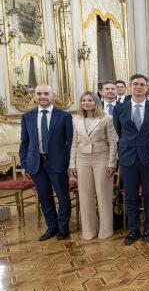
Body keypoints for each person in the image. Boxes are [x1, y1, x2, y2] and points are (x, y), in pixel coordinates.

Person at [113, 74, 149, 244]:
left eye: (142, 84)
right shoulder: (119, 109)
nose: (139, 87)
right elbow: (119, 132)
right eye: (135, 84)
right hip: (128, 158)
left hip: (148, 158)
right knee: (131, 196)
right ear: (130, 86)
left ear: (147, 88)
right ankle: (134, 228)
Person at [19, 84, 74, 241]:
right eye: (39, 93)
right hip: (36, 163)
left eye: (45, 93)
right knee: (44, 197)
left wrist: (71, 164)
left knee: (63, 196)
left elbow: (70, 143)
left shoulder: (64, 117)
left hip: (58, 163)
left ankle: (63, 228)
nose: (42, 96)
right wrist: (24, 164)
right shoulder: (27, 117)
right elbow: (24, 142)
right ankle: (52, 227)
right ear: (34, 96)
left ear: (52, 95)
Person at [69, 91, 118, 240]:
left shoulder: (106, 118)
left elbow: (113, 141)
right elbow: (74, 143)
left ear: (96, 102)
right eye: (83, 100)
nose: (86, 103)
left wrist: (112, 163)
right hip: (82, 159)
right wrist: (72, 164)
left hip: (102, 158)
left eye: (89, 100)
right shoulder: (76, 119)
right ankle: (89, 230)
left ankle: (106, 229)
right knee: (85, 196)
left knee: (104, 195)